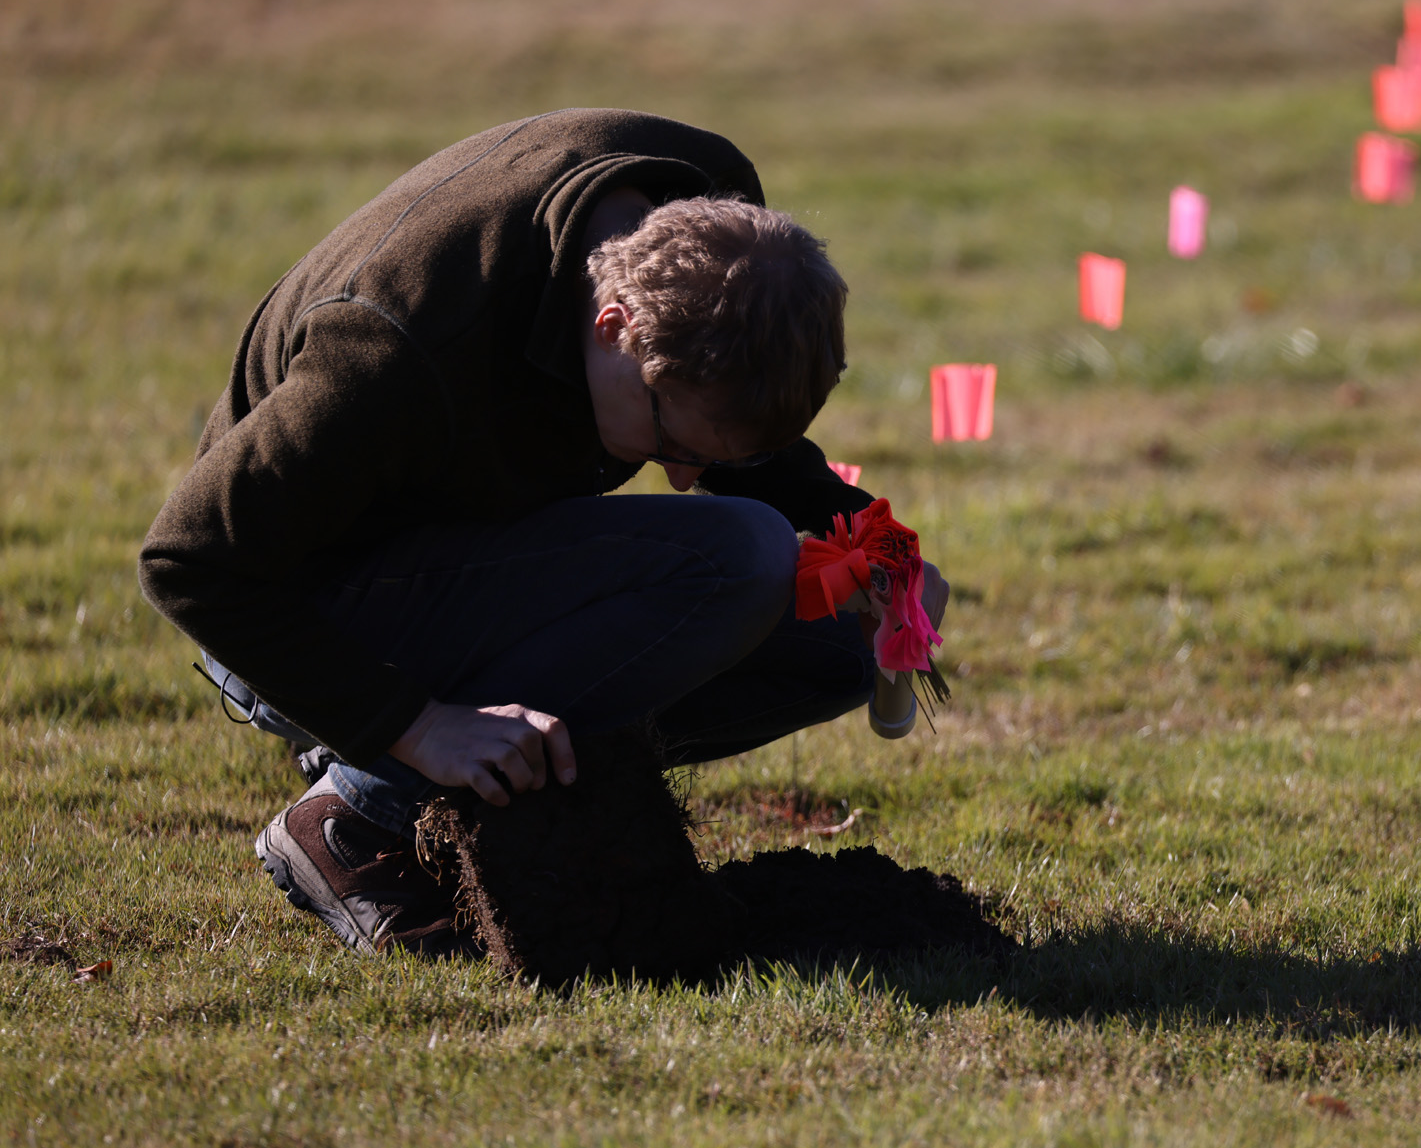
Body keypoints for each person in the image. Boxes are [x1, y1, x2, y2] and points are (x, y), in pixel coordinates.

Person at [139, 108, 947, 958]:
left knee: (838, 642)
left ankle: (478, 782)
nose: (679, 471)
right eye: (668, 442)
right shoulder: (401, 342)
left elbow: (727, 428)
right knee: (735, 557)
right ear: (614, 327)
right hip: (304, 601)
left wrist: (862, 539)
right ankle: (357, 810)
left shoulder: (716, 230)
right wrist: (414, 728)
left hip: (476, 556)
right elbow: (190, 559)